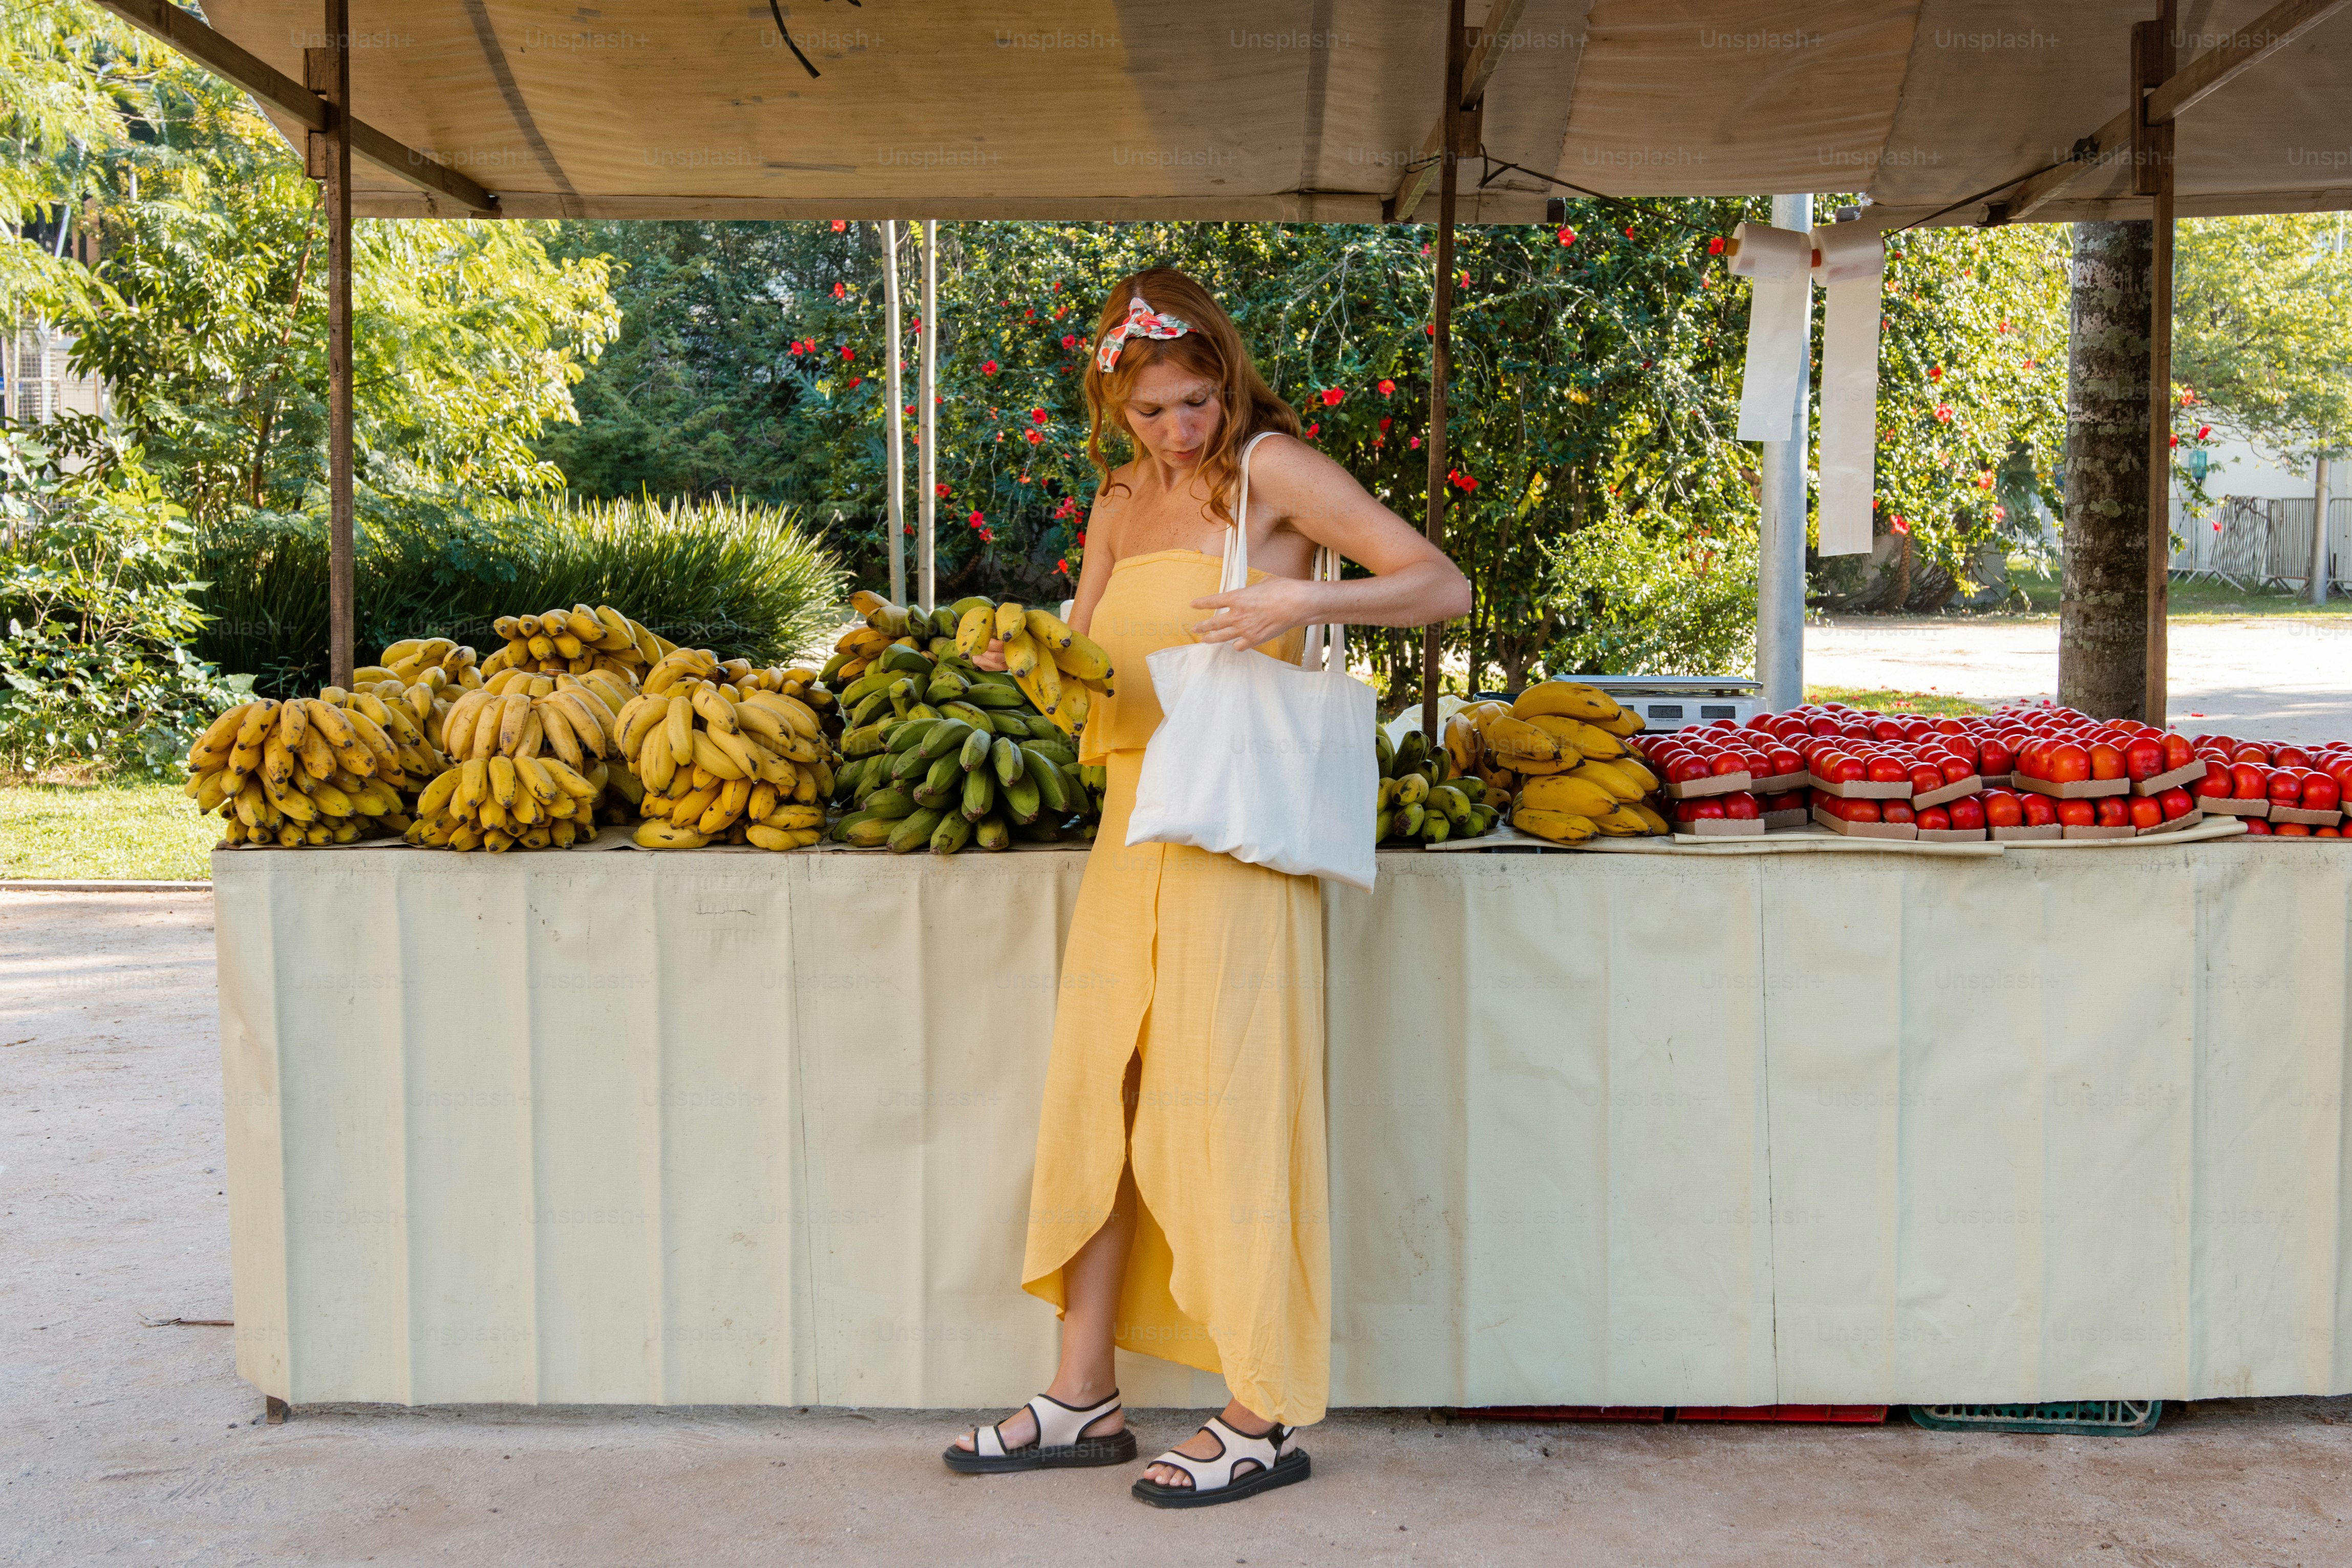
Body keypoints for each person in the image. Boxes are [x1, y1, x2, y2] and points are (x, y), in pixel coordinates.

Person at [945, 267, 1469, 1507]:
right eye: (1151, 412)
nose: (1179, 430)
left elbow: (1436, 582)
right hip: (1133, 825)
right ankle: (1083, 1393)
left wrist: (1301, 595)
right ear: (1111, 411)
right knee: (1102, 1097)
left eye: (1194, 401)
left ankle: (1263, 1404)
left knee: (1231, 1107)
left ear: (1225, 377)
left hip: (1236, 833)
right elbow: (1086, 673)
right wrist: (1018, 657)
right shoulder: (1121, 497)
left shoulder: (1274, 468)